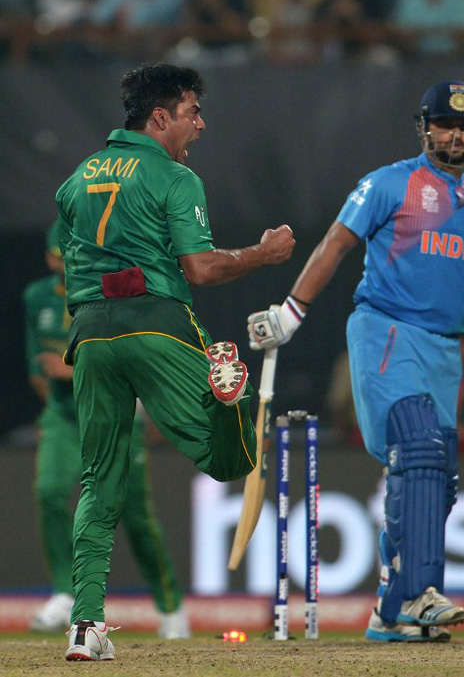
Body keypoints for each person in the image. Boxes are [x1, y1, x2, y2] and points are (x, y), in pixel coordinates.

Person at [247, 80, 464, 643]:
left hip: (443, 349)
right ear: (425, 127)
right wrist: (292, 311)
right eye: (445, 124)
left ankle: (391, 611)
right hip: (387, 331)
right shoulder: (389, 183)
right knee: (417, 450)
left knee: (436, 478)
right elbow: (335, 243)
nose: (456, 135)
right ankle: (419, 593)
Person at [55, 62, 295, 661]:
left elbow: (70, 261)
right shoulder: (174, 176)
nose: (201, 124)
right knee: (231, 458)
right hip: (156, 324)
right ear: (160, 118)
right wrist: (263, 255)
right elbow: (202, 269)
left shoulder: (76, 179)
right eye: (192, 112)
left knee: (99, 480)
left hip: (89, 334)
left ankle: (85, 626)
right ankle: (226, 390)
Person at [23, 223, 190, 639]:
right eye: (56, 257)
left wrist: (72, 367)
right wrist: (57, 405)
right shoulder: (36, 298)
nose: (63, 264)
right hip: (64, 416)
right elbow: (37, 370)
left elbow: (130, 356)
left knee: (135, 516)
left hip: (116, 414)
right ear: (50, 258)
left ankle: (170, 607)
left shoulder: (114, 287)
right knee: (48, 492)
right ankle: (65, 591)